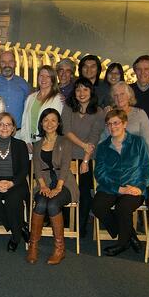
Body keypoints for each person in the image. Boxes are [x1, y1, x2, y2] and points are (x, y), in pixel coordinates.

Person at [93, 109, 149, 256]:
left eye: (116, 123)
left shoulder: (138, 142)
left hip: (134, 187)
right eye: (109, 124)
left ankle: (122, 243)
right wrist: (118, 189)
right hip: (109, 187)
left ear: (125, 123)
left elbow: (147, 169)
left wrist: (140, 187)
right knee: (97, 206)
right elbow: (99, 173)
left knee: (123, 208)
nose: (112, 127)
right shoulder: (102, 147)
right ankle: (129, 235)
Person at [29, 108, 78, 265]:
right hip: (44, 183)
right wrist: (43, 186)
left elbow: (65, 166)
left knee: (53, 203)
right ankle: (33, 246)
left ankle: (59, 249)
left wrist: (58, 187)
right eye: (46, 120)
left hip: (65, 183)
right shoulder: (37, 144)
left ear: (58, 123)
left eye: (53, 120)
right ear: (41, 123)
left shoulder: (65, 141)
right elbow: (37, 168)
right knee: (41, 202)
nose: (49, 124)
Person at [62, 77, 106, 237]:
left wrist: (86, 160)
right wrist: (83, 145)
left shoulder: (99, 112)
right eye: (78, 89)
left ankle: (81, 227)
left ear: (91, 91)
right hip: (67, 155)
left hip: (88, 157)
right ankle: (66, 224)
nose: (81, 93)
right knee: (66, 189)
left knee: (85, 193)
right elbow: (66, 131)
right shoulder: (68, 107)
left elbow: (94, 137)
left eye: (85, 89)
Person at [0, 112, 30, 252]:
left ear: (13, 128)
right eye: (1, 124)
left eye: (8, 125)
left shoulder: (20, 145)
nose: (4, 127)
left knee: (14, 200)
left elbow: (24, 169)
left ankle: (15, 238)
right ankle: (19, 227)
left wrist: (11, 183)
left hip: (15, 183)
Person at [19, 65, 64, 150]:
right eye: (41, 75)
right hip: (29, 142)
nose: (44, 79)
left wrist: (44, 144)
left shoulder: (57, 99)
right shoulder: (30, 98)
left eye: (48, 76)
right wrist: (26, 142)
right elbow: (24, 121)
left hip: (48, 145)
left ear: (53, 80)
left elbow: (56, 125)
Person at [101, 81, 149, 149]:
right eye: (116, 95)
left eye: (122, 94)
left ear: (129, 95)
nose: (119, 98)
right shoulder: (108, 113)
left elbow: (146, 140)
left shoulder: (140, 114)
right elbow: (103, 138)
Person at [0, 50, 31, 129]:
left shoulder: (23, 84)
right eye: (3, 62)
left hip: (18, 132)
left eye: (10, 62)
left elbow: (29, 107)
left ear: (15, 64)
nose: (7, 65)